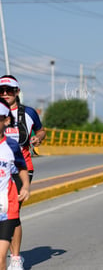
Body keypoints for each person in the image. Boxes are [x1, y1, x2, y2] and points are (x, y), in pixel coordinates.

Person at [0, 75, 45, 270]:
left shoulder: (28, 113)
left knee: (12, 213)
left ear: (17, 92)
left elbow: (41, 131)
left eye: (9, 90)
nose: (5, 94)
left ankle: (15, 257)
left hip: (20, 168)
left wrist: (38, 138)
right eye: (1, 91)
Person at [0, 98, 30, 270]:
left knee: (0, 257)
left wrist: (25, 186)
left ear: (6, 120)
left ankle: (16, 258)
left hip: (6, 206)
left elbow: (21, 167)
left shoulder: (11, 145)